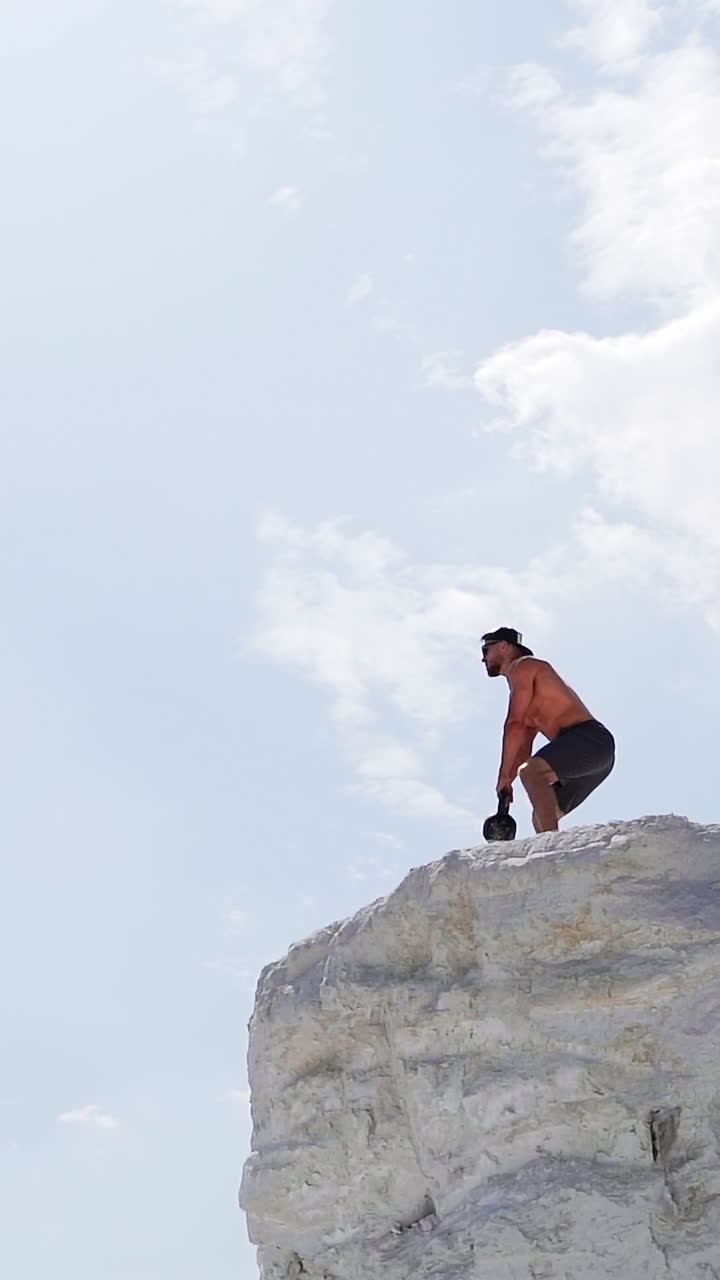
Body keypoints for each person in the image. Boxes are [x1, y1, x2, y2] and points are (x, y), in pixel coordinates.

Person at [481, 627, 615, 833]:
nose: (483, 659)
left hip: (589, 740)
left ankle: (552, 845)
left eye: (485, 651)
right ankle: (551, 856)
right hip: (593, 759)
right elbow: (522, 746)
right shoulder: (525, 693)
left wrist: (505, 775)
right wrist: (507, 781)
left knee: (531, 772)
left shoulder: (524, 666)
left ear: (503, 646)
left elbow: (514, 724)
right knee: (542, 814)